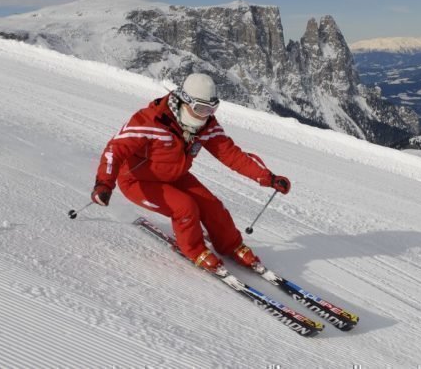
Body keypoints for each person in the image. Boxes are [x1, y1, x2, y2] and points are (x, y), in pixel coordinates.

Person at [91, 73, 291, 272]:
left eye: (212, 109)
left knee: (212, 206)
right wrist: (104, 184)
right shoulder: (151, 121)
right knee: (185, 208)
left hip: (175, 176)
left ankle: (231, 245)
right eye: (201, 108)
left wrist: (268, 177)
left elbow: (231, 154)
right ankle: (194, 250)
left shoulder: (206, 126)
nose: (205, 115)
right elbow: (115, 149)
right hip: (138, 181)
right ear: (185, 101)